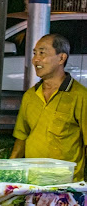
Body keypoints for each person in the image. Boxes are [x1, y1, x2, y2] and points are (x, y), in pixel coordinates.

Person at [10, 33, 87, 181]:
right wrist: (9, 172)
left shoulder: (80, 96)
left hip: (66, 186)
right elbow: (21, 138)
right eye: (35, 53)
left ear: (61, 58)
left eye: (42, 53)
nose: (35, 59)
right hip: (32, 182)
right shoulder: (30, 96)